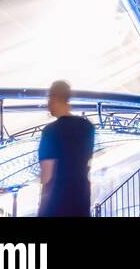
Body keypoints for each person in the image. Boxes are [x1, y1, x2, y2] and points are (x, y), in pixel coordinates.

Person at [37, 80, 96, 217]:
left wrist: (43, 206)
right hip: (80, 198)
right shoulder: (87, 127)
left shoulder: (50, 131)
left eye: (49, 99)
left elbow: (47, 175)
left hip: (57, 203)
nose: (48, 105)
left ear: (54, 99)